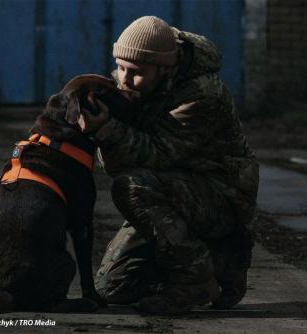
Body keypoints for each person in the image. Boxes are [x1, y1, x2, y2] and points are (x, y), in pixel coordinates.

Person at [74, 16, 259, 315]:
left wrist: (107, 129)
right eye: (120, 68)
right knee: (114, 289)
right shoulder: (142, 81)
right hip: (172, 189)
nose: (124, 80)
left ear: (166, 67)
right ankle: (217, 266)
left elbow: (156, 154)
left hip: (220, 197)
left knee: (131, 187)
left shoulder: (202, 95)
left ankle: (197, 279)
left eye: (136, 73)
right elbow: (123, 160)